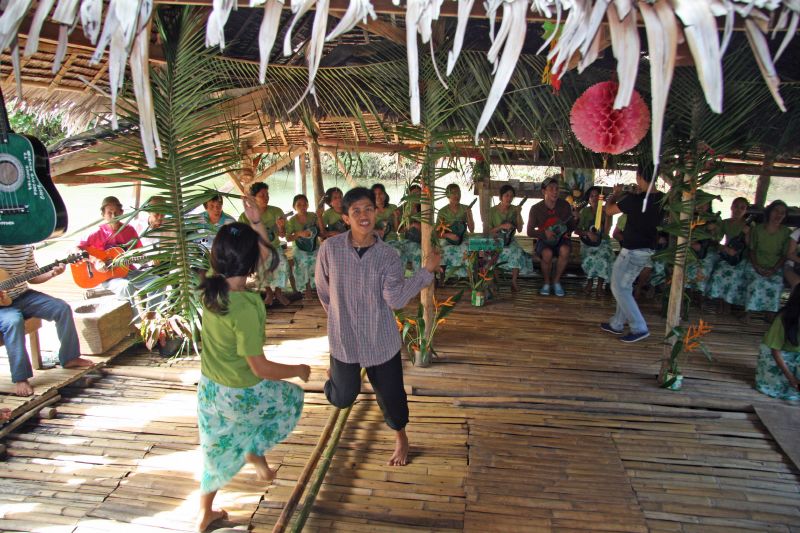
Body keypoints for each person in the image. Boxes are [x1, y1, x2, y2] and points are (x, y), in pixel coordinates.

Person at [196, 203, 310, 532]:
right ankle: (254, 450)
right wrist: (297, 369)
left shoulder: (211, 290)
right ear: (250, 262)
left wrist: (256, 222)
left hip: (210, 391)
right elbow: (259, 368)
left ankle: (205, 512)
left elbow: (264, 255)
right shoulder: (247, 306)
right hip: (242, 391)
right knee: (289, 399)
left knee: (215, 453)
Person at [315, 187, 441, 466]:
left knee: (393, 399)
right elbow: (323, 291)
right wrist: (339, 318)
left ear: (377, 212)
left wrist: (426, 272)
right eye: (355, 211)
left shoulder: (388, 256)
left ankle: (401, 437)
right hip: (344, 339)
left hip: (380, 339)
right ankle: (334, 376)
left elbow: (395, 299)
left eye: (368, 209)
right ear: (345, 218)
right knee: (342, 397)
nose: (363, 216)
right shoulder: (330, 250)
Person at [0, 245, 94, 396]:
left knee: (61, 308)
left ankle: (70, 357)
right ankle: (21, 378)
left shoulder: (25, 247)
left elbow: (33, 277)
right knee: (14, 322)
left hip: (24, 296)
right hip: (3, 308)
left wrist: (52, 273)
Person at [601, 164, 665, 343]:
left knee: (618, 286)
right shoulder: (662, 199)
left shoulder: (634, 200)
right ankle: (617, 323)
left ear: (639, 177)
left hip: (632, 251)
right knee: (625, 286)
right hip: (647, 249)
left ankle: (639, 326)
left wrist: (614, 195)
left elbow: (609, 210)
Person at [77, 196, 161, 313]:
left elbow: (140, 252)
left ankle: (151, 317)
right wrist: (96, 261)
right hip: (108, 276)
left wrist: (147, 259)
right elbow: (75, 249)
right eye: (109, 213)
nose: (113, 215)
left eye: (116, 212)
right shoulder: (97, 233)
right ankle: (133, 324)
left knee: (158, 282)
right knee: (125, 286)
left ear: (122, 212)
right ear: (103, 215)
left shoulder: (129, 230)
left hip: (129, 272)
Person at [239, 182, 291, 307]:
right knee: (260, 265)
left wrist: (281, 227)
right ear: (253, 198)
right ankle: (269, 292)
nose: (266, 197)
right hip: (257, 248)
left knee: (283, 263)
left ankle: (278, 292)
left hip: (275, 247)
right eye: (262, 195)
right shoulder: (245, 215)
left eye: (267, 194)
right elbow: (241, 236)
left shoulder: (276, 211)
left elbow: (283, 235)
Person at [527, 176, 576, 296]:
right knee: (547, 253)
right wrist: (544, 233)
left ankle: (556, 281)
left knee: (565, 250)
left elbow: (570, 228)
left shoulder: (564, 205)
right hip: (544, 240)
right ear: (544, 191)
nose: (555, 191)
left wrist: (575, 219)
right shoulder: (536, 209)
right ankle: (547, 283)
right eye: (551, 188)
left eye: (557, 189)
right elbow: (529, 231)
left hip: (561, 239)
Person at [742, 200, 791, 314]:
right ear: (769, 212)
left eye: (782, 213)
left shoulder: (786, 232)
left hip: (775, 266)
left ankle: (770, 314)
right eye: (776, 211)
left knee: (776, 284)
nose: (778, 215)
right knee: (756, 282)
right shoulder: (758, 229)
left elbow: (784, 255)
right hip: (755, 264)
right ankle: (748, 313)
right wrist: (757, 267)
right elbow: (752, 250)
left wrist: (774, 269)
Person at [755, 284, 800, 401]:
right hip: (778, 355)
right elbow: (775, 351)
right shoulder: (784, 318)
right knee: (780, 387)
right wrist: (791, 378)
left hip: (797, 356)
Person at [706, 197, 752, 309]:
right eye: (736, 206)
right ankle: (718, 302)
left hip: (742, 258)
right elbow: (716, 239)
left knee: (734, 275)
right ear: (731, 207)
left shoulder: (749, 226)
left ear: (746, 211)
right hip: (727, 256)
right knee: (718, 273)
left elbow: (751, 245)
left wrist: (747, 234)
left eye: (742, 208)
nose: (738, 210)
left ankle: (728, 305)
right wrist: (712, 230)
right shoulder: (725, 223)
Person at [487, 184, 527, 292]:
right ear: (501, 197)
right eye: (506, 195)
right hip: (495, 239)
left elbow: (519, 229)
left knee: (517, 251)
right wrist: (501, 226)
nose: (509, 198)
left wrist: (518, 213)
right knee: (492, 255)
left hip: (509, 239)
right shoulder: (492, 211)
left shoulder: (514, 209)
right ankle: (496, 281)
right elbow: (487, 231)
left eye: (511, 196)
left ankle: (513, 282)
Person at [575, 186, 614, 295]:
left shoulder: (606, 211)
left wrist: (607, 215)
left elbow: (606, 232)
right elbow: (577, 230)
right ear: (588, 199)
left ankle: (600, 285)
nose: (594, 198)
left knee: (604, 256)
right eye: (591, 196)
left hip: (603, 242)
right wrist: (587, 233)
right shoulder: (585, 212)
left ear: (601, 198)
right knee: (590, 257)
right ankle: (590, 282)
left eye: (597, 196)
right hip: (588, 243)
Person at [436, 183, 474, 279]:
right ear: (448, 195)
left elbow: (472, 229)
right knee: (442, 251)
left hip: (462, 237)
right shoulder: (442, 212)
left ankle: (468, 278)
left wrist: (469, 215)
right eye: (453, 193)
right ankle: (442, 278)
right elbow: (437, 233)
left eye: (458, 192)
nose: (457, 195)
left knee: (466, 250)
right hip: (447, 238)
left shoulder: (466, 209)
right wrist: (448, 235)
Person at [285, 194, 318, 298]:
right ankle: (307, 287)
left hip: (313, 245)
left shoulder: (313, 216)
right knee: (303, 259)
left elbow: (319, 230)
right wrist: (299, 234)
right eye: (299, 205)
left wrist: (320, 218)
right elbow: (288, 238)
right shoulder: (292, 220)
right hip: (299, 247)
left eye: (305, 204)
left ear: (308, 205)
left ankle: (317, 285)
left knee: (318, 258)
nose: (302, 207)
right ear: (294, 207)